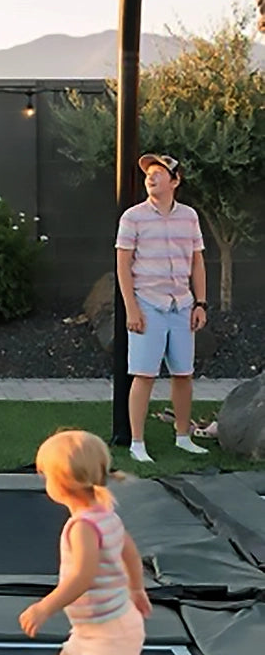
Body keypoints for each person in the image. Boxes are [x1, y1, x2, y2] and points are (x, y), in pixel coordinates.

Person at [20, 429, 151, 655]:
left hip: (112, 633)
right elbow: (128, 550)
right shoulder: (102, 512)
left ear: (62, 484)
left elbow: (83, 575)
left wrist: (45, 606)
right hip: (92, 628)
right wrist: (136, 588)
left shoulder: (83, 527)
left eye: (45, 474)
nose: (43, 480)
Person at [114, 153, 210, 463]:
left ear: (175, 181)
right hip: (147, 304)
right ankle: (137, 443)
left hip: (182, 305)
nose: (151, 177)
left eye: (158, 173)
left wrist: (200, 303)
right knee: (144, 375)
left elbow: (197, 261)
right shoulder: (133, 217)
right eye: (148, 173)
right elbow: (123, 265)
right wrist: (132, 309)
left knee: (184, 374)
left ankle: (184, 436)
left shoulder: (189, 217)